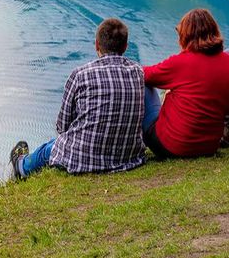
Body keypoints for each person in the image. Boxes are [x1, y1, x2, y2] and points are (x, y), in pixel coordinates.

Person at [10, 18, 146, 179]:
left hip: (83, 159)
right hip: (127, 156)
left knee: (49, 149)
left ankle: (21, 166)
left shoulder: (80, 75)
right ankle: (23, 164)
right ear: (125, 47)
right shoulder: (138, 72)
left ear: (96, 45)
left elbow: (62, 126)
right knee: (53, 145)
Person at [143, 8, 229, 159]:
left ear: (187, 35)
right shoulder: (226, 62)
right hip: (209, 147)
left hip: (170, 146)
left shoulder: (180, 63)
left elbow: (144, 74)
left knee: (143, 85)